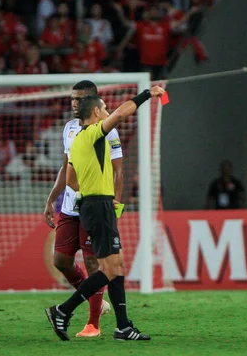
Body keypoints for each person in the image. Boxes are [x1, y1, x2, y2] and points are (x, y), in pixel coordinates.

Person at [45, 85, 165, 341]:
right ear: (97, 112)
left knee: (118, 265)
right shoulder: (92, 135)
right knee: (107, 269)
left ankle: (123, 327)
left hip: (94, 204)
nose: (108, 112)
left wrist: (92, 183)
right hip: (98, 207)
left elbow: (71, 181)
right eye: (105, 109)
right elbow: (122, 114)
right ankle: (63, 311)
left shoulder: (77, 142)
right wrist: (147, 94)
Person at [43, 81, 124, 338]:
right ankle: (94, 301)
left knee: (95, 264)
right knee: (61, 260)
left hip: (94, 206)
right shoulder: (68, 129)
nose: (74, 103)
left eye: (79, 99)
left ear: (92, 100)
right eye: (71, 99)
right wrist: (51, 198)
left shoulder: (107, 129)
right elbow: (67, 167)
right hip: (70, 207)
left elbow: (118, 170)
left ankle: (93, 324)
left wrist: (116, 205)